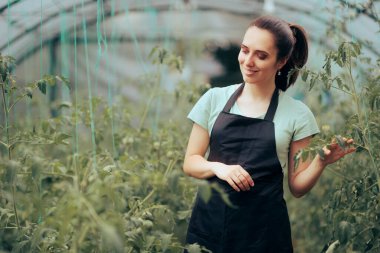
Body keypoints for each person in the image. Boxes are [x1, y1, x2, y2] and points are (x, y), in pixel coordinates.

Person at [182, 15, 356, 253]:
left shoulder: (298, 114)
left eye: (261, 55)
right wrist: (218, 167)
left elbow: (297, 187)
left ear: (281, 61)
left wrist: (321, 161)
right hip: (210, 227)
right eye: (245, 50)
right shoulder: (214, 99)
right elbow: (191, 162)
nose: (248, 61)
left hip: (264, 235)